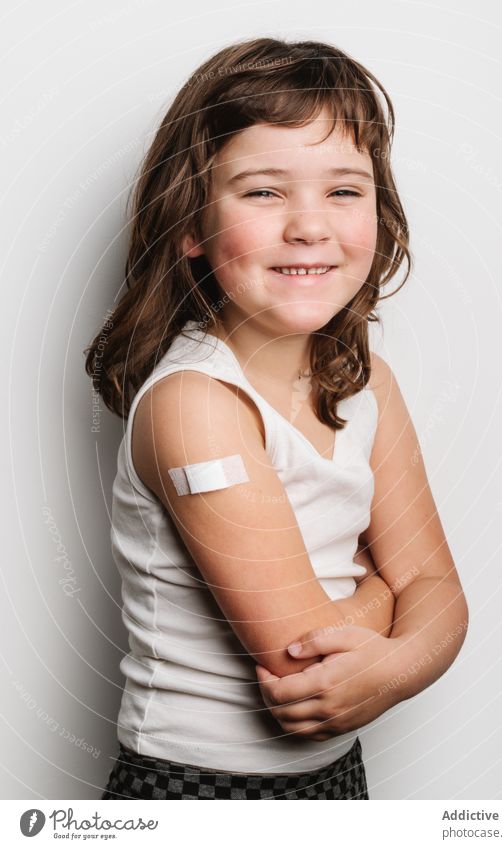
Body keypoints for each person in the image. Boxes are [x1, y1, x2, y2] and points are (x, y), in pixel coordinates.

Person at [85, 36, 468, 800]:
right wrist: (387, 597)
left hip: (336, 779)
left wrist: (392, 662)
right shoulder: (195, 404)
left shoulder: (366, 385)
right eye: (264, 192)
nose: (309, 225)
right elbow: (305, 674)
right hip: (194, 788)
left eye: (344, 190)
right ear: (190, 225)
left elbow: (439, 585)